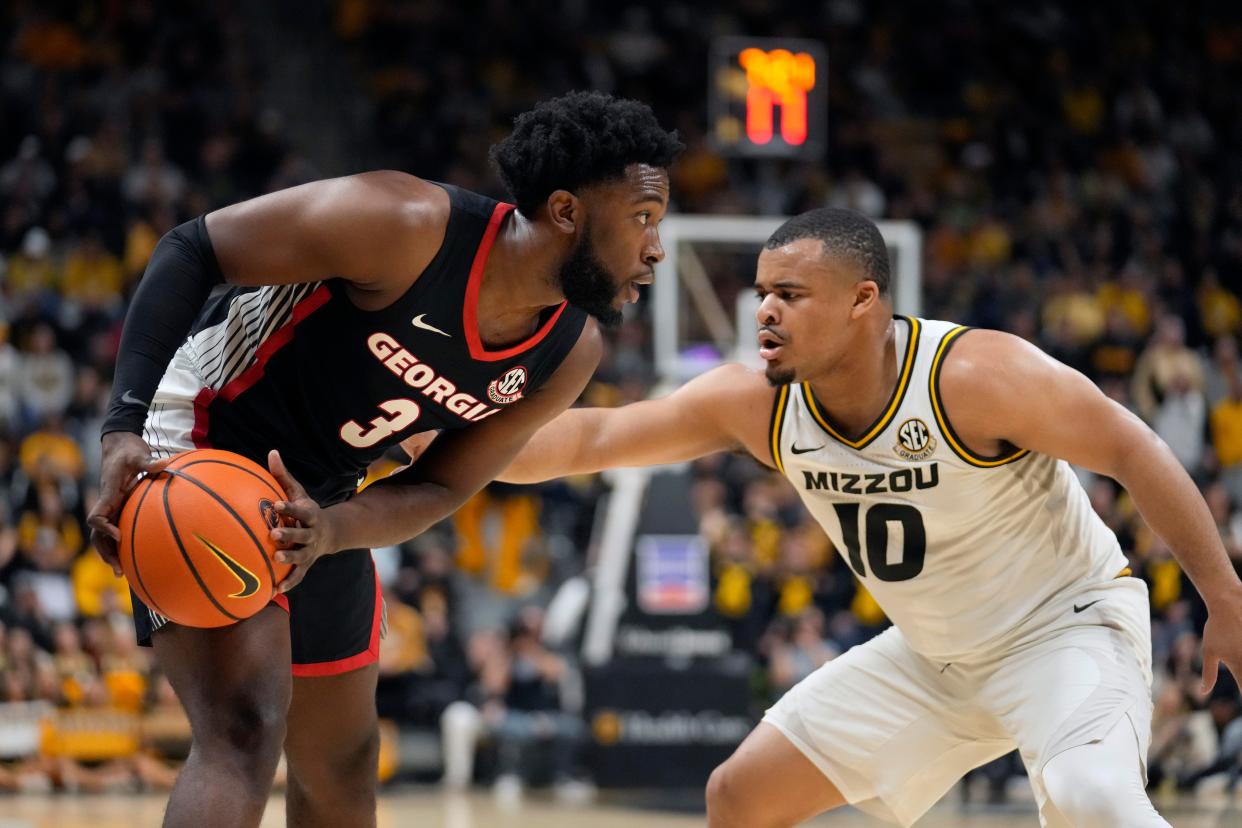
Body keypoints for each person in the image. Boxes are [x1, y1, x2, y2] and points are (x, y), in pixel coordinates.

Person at [500, 207, 1242, 827]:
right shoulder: (757, 401)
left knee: (1097, 799)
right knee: (738, 796)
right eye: (762, 292)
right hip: (934, 654)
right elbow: (591, 437)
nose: (764, 310)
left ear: (863, 300)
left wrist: (1226, 595)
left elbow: (1133, 449)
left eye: (790, 294)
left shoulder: (975, 377)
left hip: (1061, 629)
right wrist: (436, 437)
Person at [85, 91, 681, 828]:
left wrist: (330, 530)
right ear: (566, 211)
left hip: (322, 497)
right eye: (643, 219)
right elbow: (193, 248)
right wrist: (121, 431)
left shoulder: (568, 352)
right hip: (204, 438)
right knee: (243, 730)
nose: (657, 248)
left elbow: (440, 485)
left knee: (343, 766)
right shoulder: (405, 225)